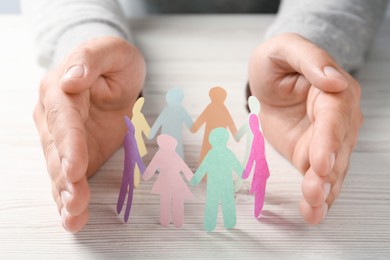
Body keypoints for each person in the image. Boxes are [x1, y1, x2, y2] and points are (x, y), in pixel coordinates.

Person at [21, 0, 389, 233]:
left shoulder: (216, 138)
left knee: (220, 198)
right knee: (153, 192)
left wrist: (309, 44)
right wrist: (85, 45)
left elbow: (222, 144)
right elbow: (192, 142)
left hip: (288, 26)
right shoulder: (189, 133)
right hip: (133, 21)